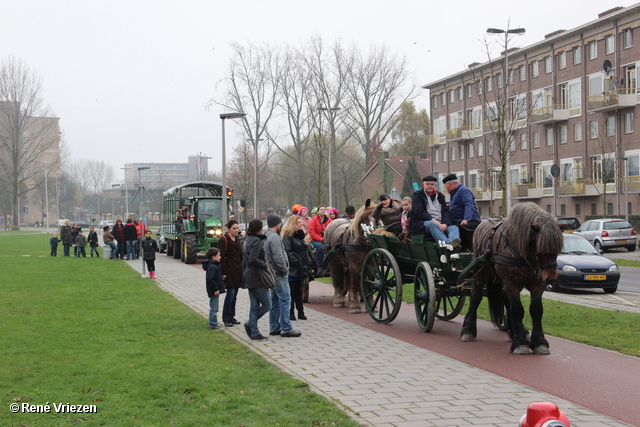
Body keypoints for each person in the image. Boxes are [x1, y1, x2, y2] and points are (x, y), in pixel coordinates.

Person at [265, 214, 302, 338]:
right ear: (278, 224)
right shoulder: (275, 238)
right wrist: (285, 270)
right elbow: (278, 257)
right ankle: (286, 328)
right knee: (285, 299)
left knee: (274, 301)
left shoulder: (266, 236)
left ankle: (274, 327)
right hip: (278, 274)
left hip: (271, 273)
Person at [242, 219, 272, 341]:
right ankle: (250, 324)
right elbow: (253, 259)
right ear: (259, 229)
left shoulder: (247, 239)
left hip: (249, 276)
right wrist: (264, 264)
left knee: (254, 306)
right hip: (256, 277)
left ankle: (254, 331)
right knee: (267, 305)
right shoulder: (256, 241)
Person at [410, 175, 460, 249]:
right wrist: (435, 222)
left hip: (441, 223)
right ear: (423, 185)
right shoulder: (417, 195)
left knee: (454, 228)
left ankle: (452, 244)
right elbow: (419, 212)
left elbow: (446, 211)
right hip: (424, 223)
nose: (430, 186)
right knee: (432, 224)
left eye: (432, 184)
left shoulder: (440, 196)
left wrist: (445, 224)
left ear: (435, 185)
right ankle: (446, 245)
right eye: (428, 184)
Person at [442, 174, 482, 250]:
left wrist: (466, 219)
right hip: (458, 221)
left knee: (456, 229)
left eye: (445, 186)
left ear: (449, 184)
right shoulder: (454, 193)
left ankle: (462, 249)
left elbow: (469, 205)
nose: (445, 188)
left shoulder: (463, 191)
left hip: (470, 221)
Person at [281, 215, 309, 321]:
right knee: (291, 291)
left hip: (299, 268)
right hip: (292, 268)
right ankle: (291, 312)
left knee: (298, 291)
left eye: (301, 222)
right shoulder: (288, 237)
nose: (301, 224)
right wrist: (296, 262)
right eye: (298, 222)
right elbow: (288, 251)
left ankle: (300, 311)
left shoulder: (299, 236)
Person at [218, 219, 243, 327]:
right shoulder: (224, 240)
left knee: (235, 295)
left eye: (237, 228)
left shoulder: (237, 239)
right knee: (230, 294)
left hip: (237, 270)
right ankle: (226, 317)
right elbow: (222, 257)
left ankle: (231, 315)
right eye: (234, 228)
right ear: (229, 229)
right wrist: (223, 272)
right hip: (229, 270)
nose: (236, 230)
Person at [203, 247, 225, 330]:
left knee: (214, 307)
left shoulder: (214, 266)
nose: (220, 257)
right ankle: (213, 324)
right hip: (213, 290)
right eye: (219, 256)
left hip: (214, 289)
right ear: (213, 257)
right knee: (214, 308)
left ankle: (213, 322)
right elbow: (210, 279)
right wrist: (216, 289)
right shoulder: (213, 267)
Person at [308, 205, 332, 276]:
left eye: (324, 210)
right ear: (318, 212)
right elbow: (312, 233)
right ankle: (320, 266)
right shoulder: (314, 220)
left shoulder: (329, 220)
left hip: (327, 239)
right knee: (320, 247)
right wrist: (321, 239)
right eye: (321, 210)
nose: (323, 211)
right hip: (316, 240)